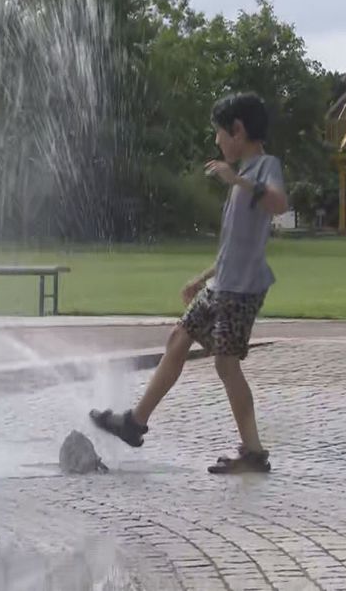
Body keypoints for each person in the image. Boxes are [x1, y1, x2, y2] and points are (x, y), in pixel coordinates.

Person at [90, 92, 288, 474]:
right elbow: (236, 245)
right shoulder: (242, 177)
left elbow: (279, 204)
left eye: (219, 133)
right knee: (179, 337)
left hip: (241, 290)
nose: (216, 141)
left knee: (227, 365)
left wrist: (240, 182)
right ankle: (135, 423)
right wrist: (203, 277)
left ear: (238, 130)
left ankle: (254, 453)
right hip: (222, 285)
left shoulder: (264, 167)